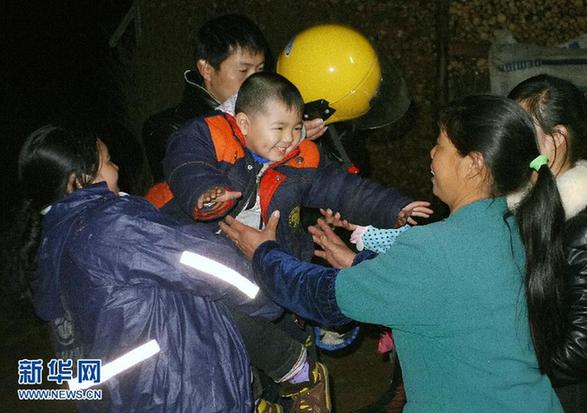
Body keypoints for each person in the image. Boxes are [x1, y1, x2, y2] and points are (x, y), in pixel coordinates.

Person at [219, 95, 566, 412]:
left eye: (440, 146)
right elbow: (439, 297)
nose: (431, 153)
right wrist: (358, 264)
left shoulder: (435, 249)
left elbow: (321, 298)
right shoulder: (509, 230)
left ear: (474, 165)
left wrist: (264, 252)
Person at [16, 124, 284, 412]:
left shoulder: (52, 244)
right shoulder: (108, 226)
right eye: (107, 161)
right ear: (77, 180)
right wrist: (273, 287)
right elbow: (203, 264)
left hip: (129, 397)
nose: (116, 167)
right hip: (178, 390)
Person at [143, 13, 326, 185]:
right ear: (206, 69)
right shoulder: (169, 129)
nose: (255, 80)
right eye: (243, 71)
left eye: (260, 69)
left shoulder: (278, 114)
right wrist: (284, 142)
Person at [508, 74, 587, 413]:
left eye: (521, 132)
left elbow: (581, 349)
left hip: (562, 396)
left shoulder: (579, 226)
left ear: (557, 140)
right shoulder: (524, 204)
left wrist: (516, 371)